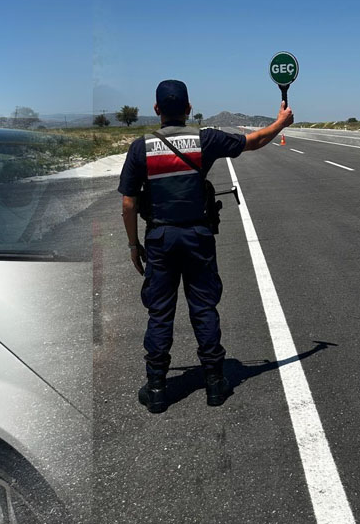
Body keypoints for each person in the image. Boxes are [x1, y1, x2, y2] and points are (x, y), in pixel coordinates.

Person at [118, 79, 293, 414]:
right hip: (197, 237)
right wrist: (280, 123)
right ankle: (215, 382)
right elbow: (252, 142)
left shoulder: (140, 148)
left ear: (156, 110)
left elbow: (128, 203)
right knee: (203, 307)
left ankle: (157, 387)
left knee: (160, 312)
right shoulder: (205, 139)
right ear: (187, 108)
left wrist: (132, 244)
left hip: (160, 240)